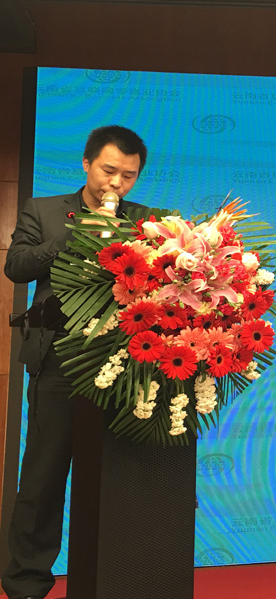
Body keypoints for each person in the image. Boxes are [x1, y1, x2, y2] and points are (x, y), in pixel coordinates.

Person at [1, 125, 147, 599]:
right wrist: (74, 237)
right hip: (60, 361)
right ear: (86, 164)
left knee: (122, 477)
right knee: (42, 479)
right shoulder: (44, 211)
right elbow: (16, 266)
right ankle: (26, 584)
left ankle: (117, 579)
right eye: (108, 170)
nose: (116, 183)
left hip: (127, 365)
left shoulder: (147, 221)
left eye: (128, 175)